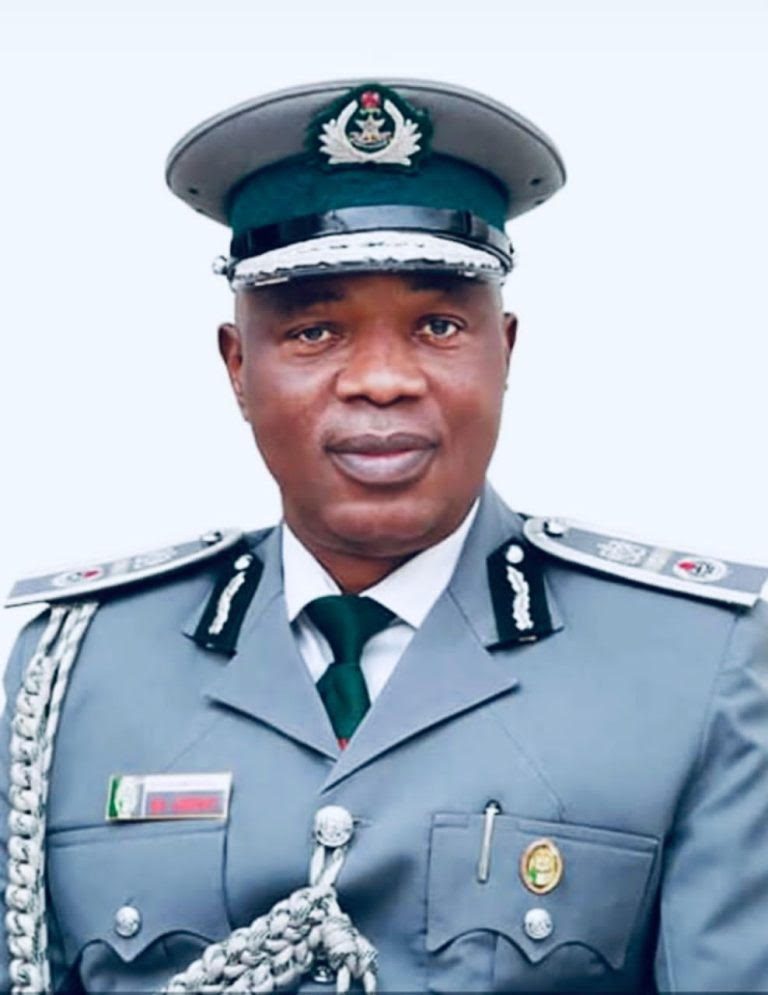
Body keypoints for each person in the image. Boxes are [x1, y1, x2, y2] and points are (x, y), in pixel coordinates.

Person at [1, 77, 767, 995]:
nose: (382, 380)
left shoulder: (697, 667)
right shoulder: (78, 671)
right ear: (238, 367)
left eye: (438, 325)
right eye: (315, 331)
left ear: (505, 351)